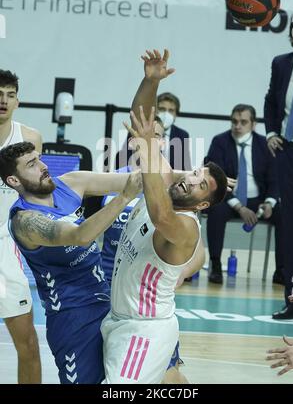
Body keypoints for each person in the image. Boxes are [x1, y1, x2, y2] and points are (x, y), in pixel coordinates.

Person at [101, 49, 228, 384]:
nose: (191, 179)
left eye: (201, 185)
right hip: (119, 317)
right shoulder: (168, 180)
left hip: (145, 329)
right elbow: (142, 122)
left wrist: (146, 148)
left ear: (202, 205)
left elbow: (159, 213)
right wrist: (150, 81)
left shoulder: (185, 226)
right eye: (195, 173)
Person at [0, 141, 142, 384]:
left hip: (109, 300)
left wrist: (195, 179)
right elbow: (81, 236)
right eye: (32, 164)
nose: (43, 166)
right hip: (73, 317)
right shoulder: (25, 221)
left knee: (162, 375)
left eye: (40, 159)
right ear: (14, 181)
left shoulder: (70, 182)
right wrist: (125, 197)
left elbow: (138, 179)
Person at [101, 115, 189, 383]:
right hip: (108, 288)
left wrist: (180, 272)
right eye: (148, 135)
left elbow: (196, 251)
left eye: (159, 135)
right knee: (109, 366)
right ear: (132, 140)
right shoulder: (110, 181)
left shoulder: (174, 189)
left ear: (163, 143)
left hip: (147, 304)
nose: (154, 140)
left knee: (166, 372)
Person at [205, 104, 283, 285]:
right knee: (216, 211)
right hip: (229, 198)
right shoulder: (220, 142)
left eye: (243, 122)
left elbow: (275, 179)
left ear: (253, 124)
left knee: (284, 214)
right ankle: (215, 265)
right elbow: (216, 179)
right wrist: (239, 207)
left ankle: (282, 271)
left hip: (259, 200)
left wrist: (269, 203)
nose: (237, 126)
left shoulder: (265, 145)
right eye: (234, 121)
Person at [0, 69, 42, 383]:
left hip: (4, 247)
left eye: (9, 94)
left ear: (17, 100)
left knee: (26, 340)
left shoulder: (29, 138)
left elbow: (38, 191)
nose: (3, 100)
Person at [264, 11, 293, 320]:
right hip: (290, 153)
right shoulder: (282, 63)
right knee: (291, 227)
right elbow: (270, 101)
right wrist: (272, 132)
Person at [115, 92, 192, 171]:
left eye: (171, 110)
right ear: (154, 111)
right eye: (162, 109)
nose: (166, 113)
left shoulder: (182, 135)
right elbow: (126, 158)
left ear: (176, 115)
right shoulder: (141, 130)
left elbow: (185, 167)